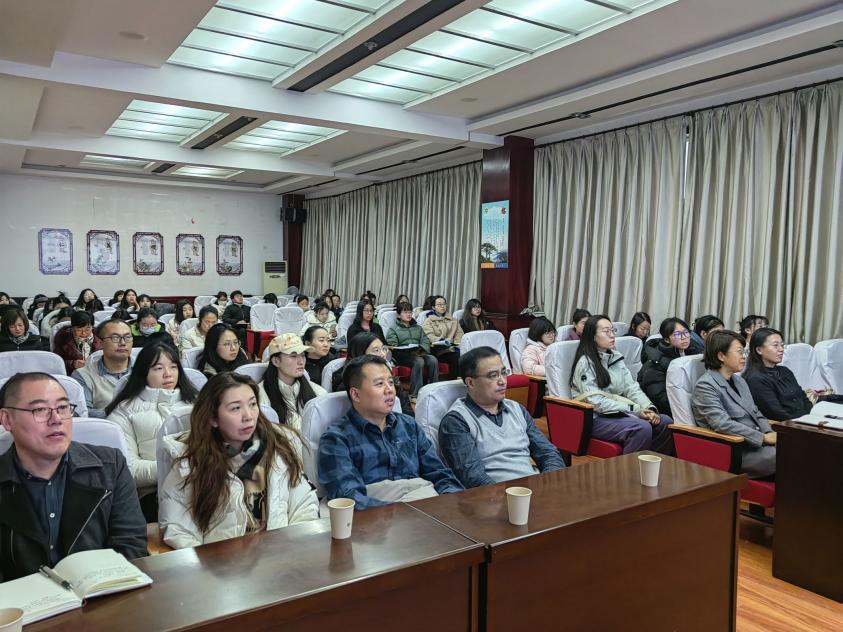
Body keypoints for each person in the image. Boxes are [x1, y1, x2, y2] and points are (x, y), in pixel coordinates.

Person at [0, 373, 147, 580]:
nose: (56, 419)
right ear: (7, 419)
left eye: (62, 407)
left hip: (101, 593)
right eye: (40, 410)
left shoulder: (110, 466)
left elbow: (130, 545)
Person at [158, 373, 319, 549]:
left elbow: (304, 505)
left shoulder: (279, 447)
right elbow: (179, 531)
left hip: (280, 556)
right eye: (235, 408)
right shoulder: (189, 464)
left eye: (253, 404)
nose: (248, 416)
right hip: (220, 562)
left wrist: (292, 552)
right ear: (213, 418)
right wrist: (211, 564)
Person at [317, 355, 463, 509]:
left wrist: (454, 501)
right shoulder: (337, 438)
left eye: (391, 382)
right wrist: (404, 513)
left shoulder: (408, 425)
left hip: (424, 505)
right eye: (380, 384)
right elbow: (349, 497)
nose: (390, 390)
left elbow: (439, 473)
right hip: (377, 514)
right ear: (356, 394)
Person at [440, 347, 565, 488]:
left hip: (533, 489)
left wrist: (549, 484)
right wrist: (514, 497)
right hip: (494, 496)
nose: (502, 381)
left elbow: (548, 453)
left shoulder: (516, 409)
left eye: (504, 373)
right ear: (470, 382)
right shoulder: (457, 421)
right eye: (493, 375)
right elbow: (472, 477)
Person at [106, 341, 198, 522]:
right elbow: (128, 469)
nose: (168, 374)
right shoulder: (123, 411)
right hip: (151, 494)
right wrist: (178, 468)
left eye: (173, 367)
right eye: (158, 368)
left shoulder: (196, 403)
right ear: (143, 372)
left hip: (200, 485)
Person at [570, 315, 673, 454]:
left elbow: (631, 387)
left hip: (619, 413)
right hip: (595, 417)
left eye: (613, 330)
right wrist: (636, 410)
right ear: (593, 336)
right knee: (641, 428)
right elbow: (596, 402)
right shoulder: (585, 363)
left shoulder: (616, 357)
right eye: (606, 332)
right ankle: (629, 467)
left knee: (665, 422)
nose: (612, 335)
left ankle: (648, 462)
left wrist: (648, 407)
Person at [691, 330, 776, 478]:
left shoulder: (739, 381)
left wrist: (768, 432)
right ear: (721, 356)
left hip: (757, 443)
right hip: (736, 450)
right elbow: (722, 424)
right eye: (739, 352)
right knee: (790, 456)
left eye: (744, 352)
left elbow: (756, 412)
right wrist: (763, 438)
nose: (744, 357)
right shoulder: (705, 386)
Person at [258, 333, 326, 430]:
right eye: (293, 356)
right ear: (276, 361)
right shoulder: (260, 397)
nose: (301, 361)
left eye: (303, 355)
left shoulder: (318, 392)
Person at [744, 327, 813, 421]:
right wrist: (801, 423)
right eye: (775, 345)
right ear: (759, 350)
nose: (781, 349)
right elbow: (776, 413)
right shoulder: (755, 378)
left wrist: (810, 418)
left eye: (782, 345)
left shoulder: (785, 371)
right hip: (784, 426)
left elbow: (804, 398)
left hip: (804, 421)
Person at [637, 318, 703, 417]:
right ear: (667, 339)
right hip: (663, 411)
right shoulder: (656, 361)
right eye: (677, 334)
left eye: (686, 332)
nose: (684, 337)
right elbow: (659, 397)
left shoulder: (695, 352)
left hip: (690, 405)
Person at [335, 332, 414, 415]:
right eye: (376, 350)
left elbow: (405, 408)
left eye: (383, 349)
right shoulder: (348, 382)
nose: (383, 354)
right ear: (360, 354)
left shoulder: (388, 375)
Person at [72, 319, 134, 418]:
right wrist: (123, 416)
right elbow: (83, 413)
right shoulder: (83, 375)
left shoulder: (147, 370)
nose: (123, 343)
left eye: (127, 337)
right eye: (115, 337)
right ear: (101, 343)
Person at [386, 302, 438, 399]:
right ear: (399, 315)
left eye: (410, 312)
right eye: (405, 312)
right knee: (419, 361)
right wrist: (401, 346)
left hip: (418, 353)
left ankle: (433, 389)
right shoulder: (393, 329)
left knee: (433, 359)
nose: (408, 314)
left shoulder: (418, 328)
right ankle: (415, 394)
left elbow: (425, 340)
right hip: (403, 356)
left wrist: (422, 349)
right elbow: (392, 344)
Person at [422, 295, 462, 377]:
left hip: (452, 348)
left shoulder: (453, 320)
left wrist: (455, 343)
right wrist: (442, 340)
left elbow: (460, 334)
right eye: (439, 304)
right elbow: (429, 336)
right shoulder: (429, 321)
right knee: (455, 357)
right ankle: (454, 381)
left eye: (444, 304)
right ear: (433, 307)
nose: (442, 306)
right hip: (438, 350)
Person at [53, 310, 102, 374]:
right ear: (72, 328)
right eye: (79, 330)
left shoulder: (101, 337)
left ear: (92, 327)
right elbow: (56, 361)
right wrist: (72, 364)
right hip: (73, 374)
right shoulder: (63, 338)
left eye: (87, 329)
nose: (83, 333)